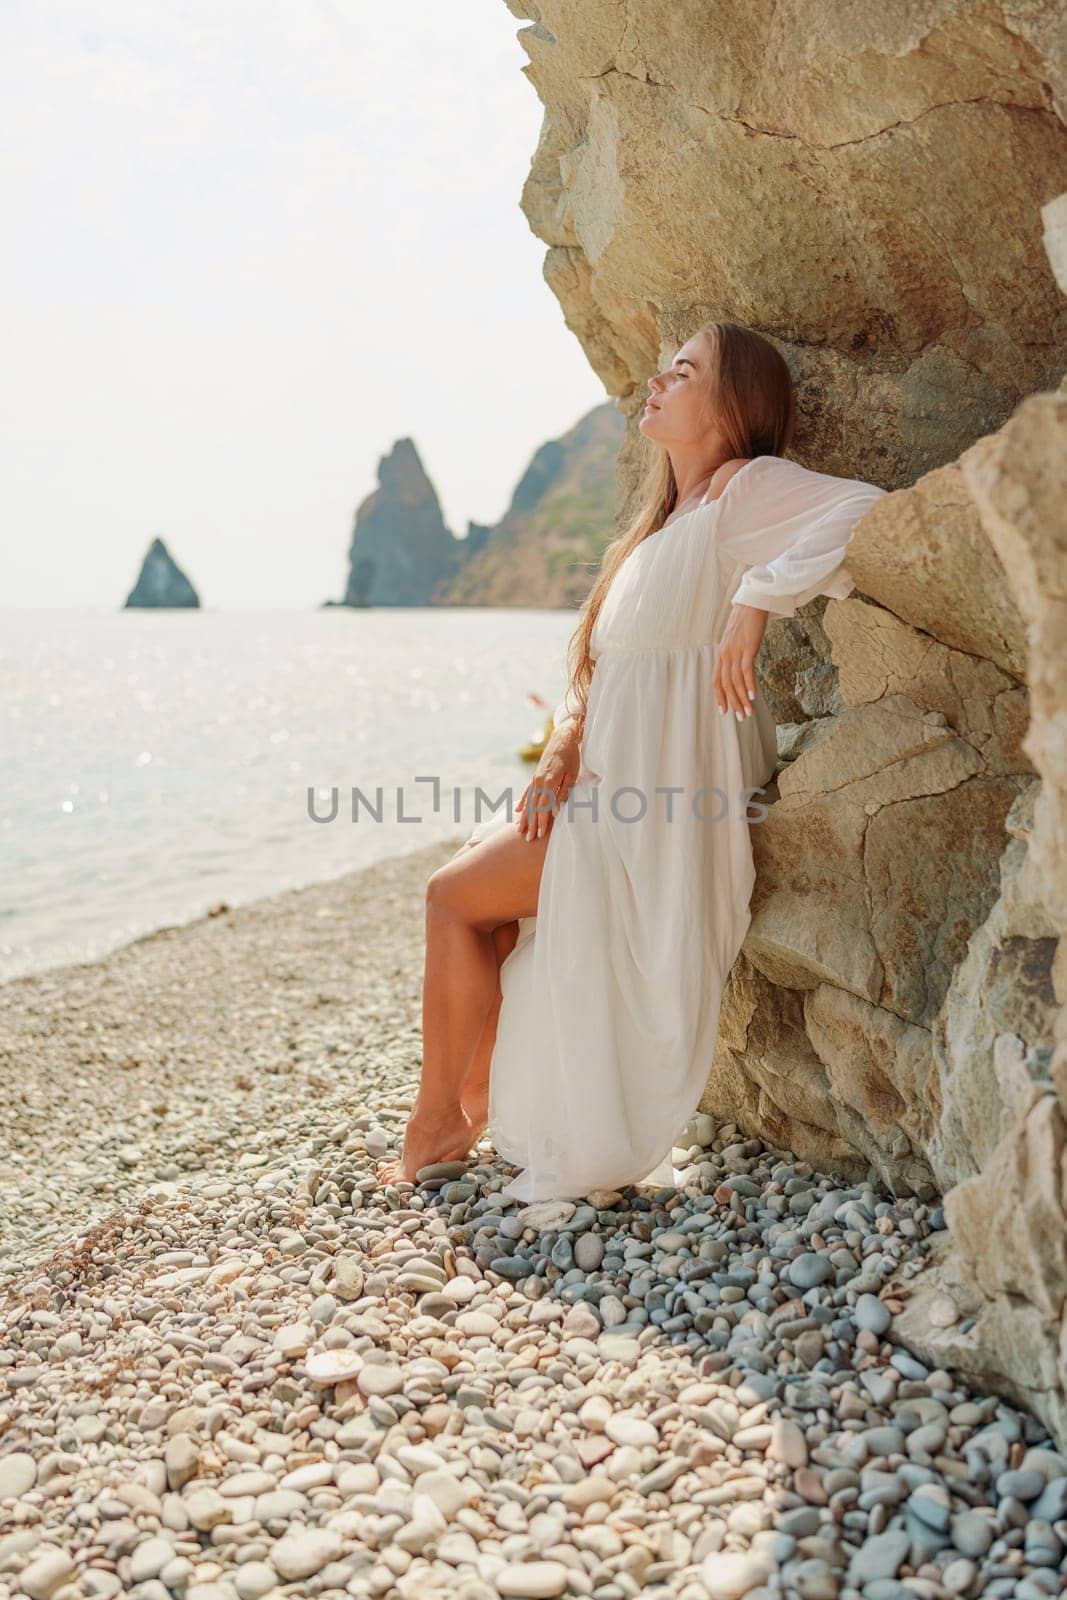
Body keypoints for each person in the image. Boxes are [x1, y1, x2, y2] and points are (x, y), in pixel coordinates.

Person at [377, 321, 887, 1199]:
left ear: (732, 407)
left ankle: (437, 1122)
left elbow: (864, 509)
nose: (657, 381)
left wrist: (756, 602)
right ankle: (466, 1110)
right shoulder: (660, 527)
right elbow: (606, 673)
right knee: (480, 909)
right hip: (605, 784)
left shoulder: (744, 487)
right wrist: (560, 753)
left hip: (658, 807)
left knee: (450, 898)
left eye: (683, 372)